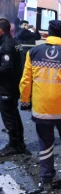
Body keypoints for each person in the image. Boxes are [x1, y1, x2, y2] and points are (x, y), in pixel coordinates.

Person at [19, 20, 61, 194]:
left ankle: (47, 180)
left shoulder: (33, 52)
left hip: (41, 109)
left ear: (48, 33)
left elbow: (26, 80)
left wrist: (25, 101)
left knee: (45, 144)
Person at [0, 18, 26, 157]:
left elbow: (6, 68)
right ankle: (19, 143)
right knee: (14, 114)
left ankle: (14, 145)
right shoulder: (15, 42)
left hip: (7, 87)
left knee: (9, 116)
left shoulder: (7, 45)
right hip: (14, 84)